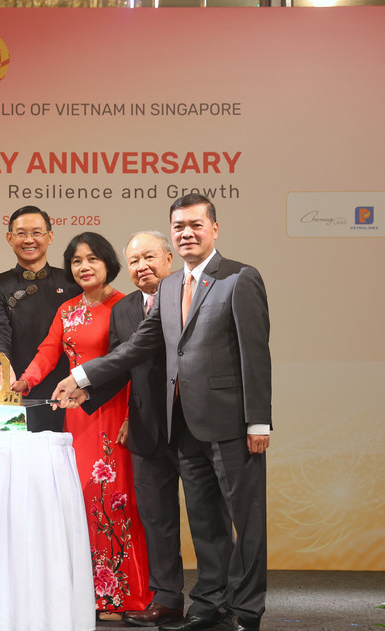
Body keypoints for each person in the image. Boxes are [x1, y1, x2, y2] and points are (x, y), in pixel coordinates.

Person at [54, 194, 271, 631]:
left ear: (214, 229)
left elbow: (256, 354)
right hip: (183, 426)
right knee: (205, 522)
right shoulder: (170, 288)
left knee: (245, 521)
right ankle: (208, 603)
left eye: (195, 225)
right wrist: (82, 376)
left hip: (231, 423)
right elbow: (138, 346)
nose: (187, 233)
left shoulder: (239, 277)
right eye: (179, 226)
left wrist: (258, 421)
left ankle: (247, 610)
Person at [12, 232, 153, 619]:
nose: (84, 267)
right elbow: (48, 351)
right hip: (77, 417)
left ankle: (122, 595)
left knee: (116, 501)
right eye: (76, 261)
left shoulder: (126, 305)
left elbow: (136, 364)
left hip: (115, 412)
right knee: (83, 502)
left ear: (108, 263)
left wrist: (132, 416)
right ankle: (87, 593)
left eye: (92, 259)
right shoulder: (67, 309)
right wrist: (26, 380)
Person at [83, 231, 184, 628]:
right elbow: (120, 365)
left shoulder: (191, 295)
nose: (142, 267)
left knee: (208, 519)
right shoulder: (124, 309)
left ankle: (217, 599)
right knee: (156, 519)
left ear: (169, 259)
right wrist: (84, 392)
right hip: (145, 429)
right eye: (134, 261)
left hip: (192, 425)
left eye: (149, 257)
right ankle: (167, 598)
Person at [0, 206, 79, 432]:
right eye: (21, 233)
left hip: (68, 388)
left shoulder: (72, 282)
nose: (29, 240)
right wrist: (2, 365)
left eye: (36, 233)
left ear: (50, 236)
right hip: (18, 385)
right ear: (9, 238)